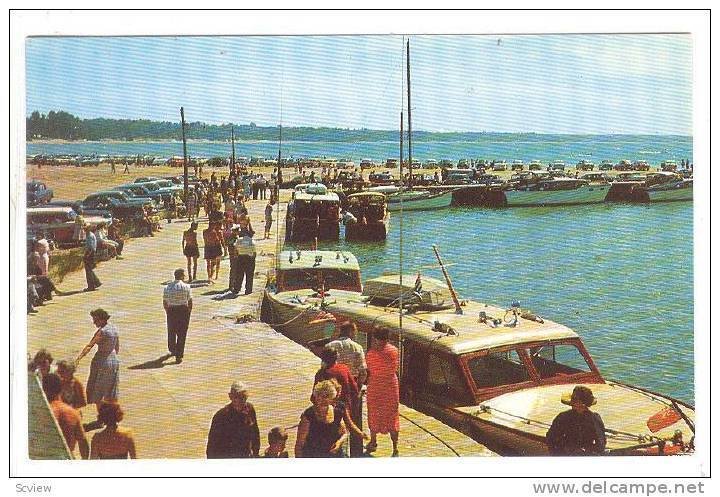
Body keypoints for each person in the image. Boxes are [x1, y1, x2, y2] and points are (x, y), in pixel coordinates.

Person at [327, 321, 367, 457]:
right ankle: (356, 452)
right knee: (354, 420)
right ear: (350, 332)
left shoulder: (330, 346)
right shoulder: (357, 347)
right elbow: (363, 372)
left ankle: (337, 450)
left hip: (333, 389)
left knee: (336, 420)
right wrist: (359, 386)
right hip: (352, 387)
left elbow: (324, 368)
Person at [76, 309, 120, 422]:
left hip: (102, 361)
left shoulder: (102, 332)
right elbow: (117, 348)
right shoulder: (114, 329)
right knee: (110, 391)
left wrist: (79, 358)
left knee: (97, 391)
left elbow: (90, 346)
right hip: (114, 360)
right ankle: (111, 417)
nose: (94, 323)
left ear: (101, 319)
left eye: (95, 320)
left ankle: (101, 418)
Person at [365, 327, 400, 456]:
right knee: (392, 416)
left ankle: (373, 442)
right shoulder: (394, 351)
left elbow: (369, 369)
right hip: (391, 386)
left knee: (374, 413)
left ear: (375, 338)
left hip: (375, 386)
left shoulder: (371, 354)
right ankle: (395, 448)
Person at [546, 385, 606, 456]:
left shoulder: (594, 419)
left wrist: (586, 452)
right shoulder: (563, 417)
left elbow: (601, 444)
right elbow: (551, 438)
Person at [206, 381, 260, 458]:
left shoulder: (250, 409)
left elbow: (255, 435)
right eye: (237, 397)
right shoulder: (221, 416)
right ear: (230, 397)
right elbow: (211, 448)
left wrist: (256, 455)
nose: (241, 400)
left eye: (244, 397)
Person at [41, 373, 89, 459]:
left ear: (43, 389)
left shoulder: (40, 411)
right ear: (61, 389)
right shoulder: (72, 413)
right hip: (65, 457)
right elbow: (83, 443)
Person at [295, 380, 347, 458]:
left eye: (326, 396)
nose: (322, 399)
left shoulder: (337, 412)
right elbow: (299, 445)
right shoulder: (309, 415)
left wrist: (339, 443)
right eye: (319, 396)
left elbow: (344, 433)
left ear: (331, 398)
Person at [163, 268, 193, 364]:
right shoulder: (186, 287)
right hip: (183, 310)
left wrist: (167, 311)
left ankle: (173, 348)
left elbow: (165, 302)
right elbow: (190, 301)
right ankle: (179, 354)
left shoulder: (167, 287)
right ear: (181, 276)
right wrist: (189, 312)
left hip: (172, 310)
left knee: (171, 331)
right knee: (182, 333)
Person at [234, 227, 256, 294]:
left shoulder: (239, 240)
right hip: (249, 259)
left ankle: (237, 289)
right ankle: (248, 290)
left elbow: (236, 251)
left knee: (239, 275)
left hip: (240, 258)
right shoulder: (252, 241)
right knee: (249, 275)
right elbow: (254, 253)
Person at [82, 225, 102, 292]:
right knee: (89, 270)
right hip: (90, 253)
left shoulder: (90, 236)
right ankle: (96, 282)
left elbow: (91, 248)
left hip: (90, 254)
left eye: (85, 229)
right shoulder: (89, 235)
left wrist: (87, 255)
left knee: (88, 271)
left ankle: (91, 286)